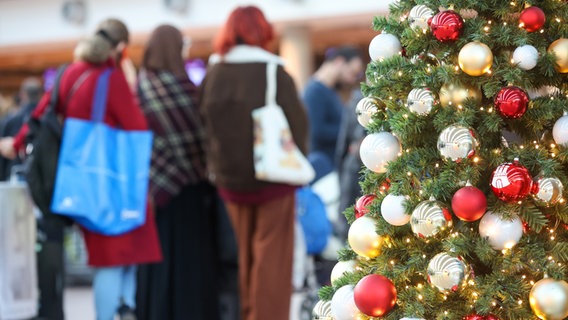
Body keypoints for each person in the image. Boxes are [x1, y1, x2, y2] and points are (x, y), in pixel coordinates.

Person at [0, 18, 162, 320]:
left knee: (108, 259)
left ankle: (121, 310)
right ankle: (119, 312)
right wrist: (127, 82)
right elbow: (137, 127)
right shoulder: (111, 78)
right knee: (117, 260)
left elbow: (39, 115)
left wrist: (15, 142)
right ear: (121, 49)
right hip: (113, 186)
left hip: (81, 183)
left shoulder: (67, 73)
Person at [199, 6, 309, 320]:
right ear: (263, 31)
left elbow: (202, 123)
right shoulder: (274, 71)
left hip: (229, 183)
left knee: (244, 260)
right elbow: (298, 126)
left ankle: (247, 313)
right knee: (271, 261)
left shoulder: (214, 73)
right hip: (273, 180)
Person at [134, 24, 220, 320]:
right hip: (191, 193)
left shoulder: (141, 85)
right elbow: (202, 135)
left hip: (154, 192)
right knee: (190, 264)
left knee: (157, 263)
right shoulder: (185, 88)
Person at [302, 46, 364, 167]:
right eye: (352, 73)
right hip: (323, 166)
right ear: (339, 62)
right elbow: (316, 131)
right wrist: (348, 134)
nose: (352, 80)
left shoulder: (330, 91)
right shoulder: (314, 91)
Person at [0, 77, 43, 181]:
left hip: (13, 176)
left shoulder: (10, 121)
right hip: (40, 176)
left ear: (22, 94)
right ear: (40, 94)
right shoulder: (45, 120)